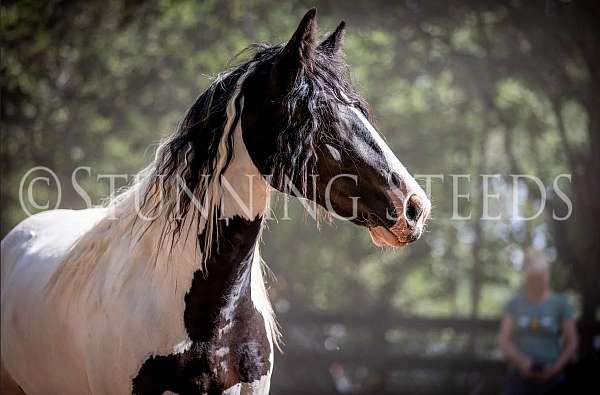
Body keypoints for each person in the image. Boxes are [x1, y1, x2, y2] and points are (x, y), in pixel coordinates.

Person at [498, 249, 578, 395]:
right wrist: (522, 362)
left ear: (547, 275)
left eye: (540, 277)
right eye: (533, 278)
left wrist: (555, 369)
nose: (537, 282)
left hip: (554, 379)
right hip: (519, 378)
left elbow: (572, 343)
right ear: (526, 277)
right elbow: (504, 341)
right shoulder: (514, 304)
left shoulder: (561, 304)